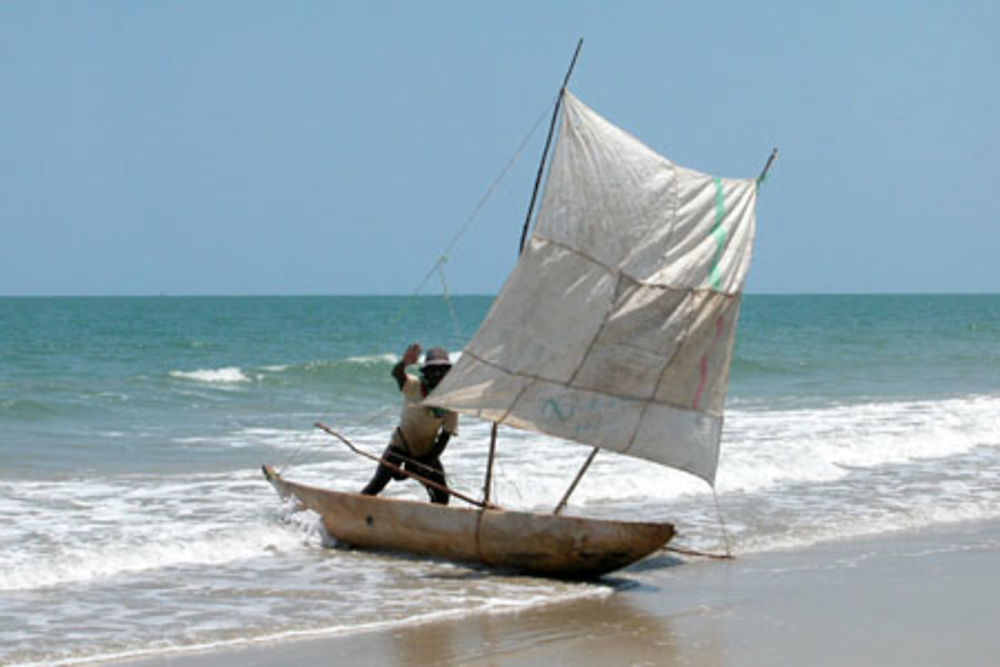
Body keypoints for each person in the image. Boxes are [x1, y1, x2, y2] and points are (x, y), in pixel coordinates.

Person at [361, 343, 457, 504]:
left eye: (442, 370)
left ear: (448, 373)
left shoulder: (451, 399)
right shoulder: (415, 385)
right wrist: (404, 363)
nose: (438, 373)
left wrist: (427, 462)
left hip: (427, 453)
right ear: (426, 371)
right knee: (376, 485)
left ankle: (427, 525)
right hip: (400, 447)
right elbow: (397, 374)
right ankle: (351, 511)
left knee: (442, 496)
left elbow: (445, 435)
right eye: (433, 369)